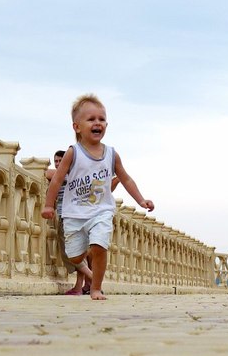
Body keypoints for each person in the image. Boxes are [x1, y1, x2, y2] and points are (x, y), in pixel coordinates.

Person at [42, 94, 154, 300]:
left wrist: (141, 200)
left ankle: (96, 288)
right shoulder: (73, 153)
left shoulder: (111, 154)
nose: (97, 123)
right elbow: (57, 180)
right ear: (77, 127)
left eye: (101, 119)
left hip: (101, 211)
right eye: (91, 119)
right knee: (75, 255)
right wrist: (49, 206)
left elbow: (126, 179)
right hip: (74, 213)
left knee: (100, 247)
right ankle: (84, 250)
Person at [46, 150, 91, 294]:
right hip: (77, 216)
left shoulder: (70, 174)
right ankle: (80, 287)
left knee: (69, 252)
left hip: (69, 217)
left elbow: (47, 173)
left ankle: (93, 278)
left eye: (61, 161)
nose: (58, 164)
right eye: (56, 161)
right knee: (79, 252)